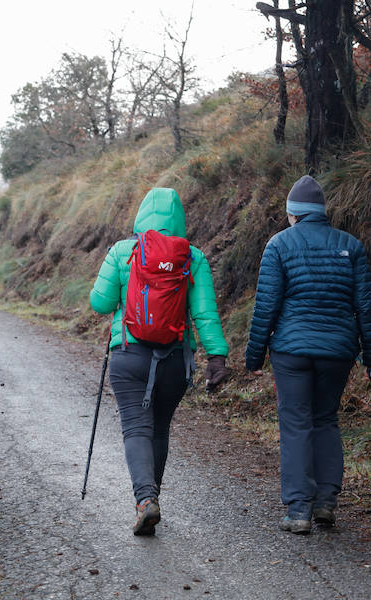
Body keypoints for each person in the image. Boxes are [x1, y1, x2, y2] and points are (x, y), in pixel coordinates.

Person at [245, 175, 371, 534]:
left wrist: (254, 357)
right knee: (325, 419)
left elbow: (267, 307)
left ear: (293, 214)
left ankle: (298, 510)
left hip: (291, 351)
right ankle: (325, 502)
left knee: (295, 424)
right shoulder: (350, 246)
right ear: (321, 212)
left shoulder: (278, 245)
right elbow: (365, 308)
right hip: (337, 352)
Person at [90, 187, 229, 536]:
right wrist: (217, 356)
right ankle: (152, 496)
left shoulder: (124, 251)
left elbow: (100, 303)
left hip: (129, 356)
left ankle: (145, 500)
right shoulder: (192, 257)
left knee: (136, 427)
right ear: (180, 219)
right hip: (174, 360)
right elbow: (205, 313)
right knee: (160, 428)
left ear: (141, 215)